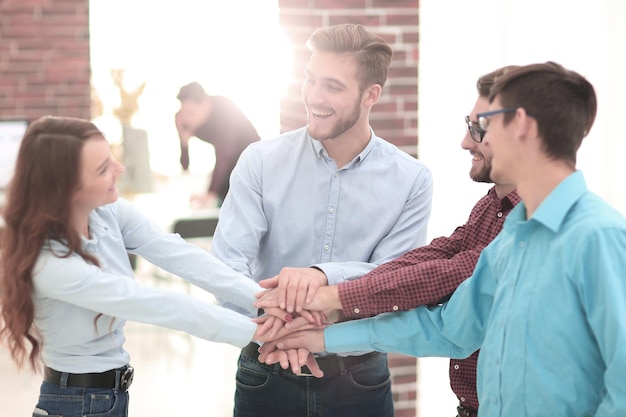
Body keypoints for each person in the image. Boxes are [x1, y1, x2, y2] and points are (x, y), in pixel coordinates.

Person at [260, 62, 626, 416]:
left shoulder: (599, 238)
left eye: (485, 124)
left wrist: (331, 300)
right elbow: (449, 329)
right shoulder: (512, 241)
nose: (472, 140)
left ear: (522, 126)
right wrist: (318, 338)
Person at [255, 65, 521, 417]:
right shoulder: (492, 206)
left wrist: (331, 302)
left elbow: (451, 296)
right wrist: (326, 300)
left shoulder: (532, 225)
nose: (465, 142)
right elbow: (436, 256)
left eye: (478, 128)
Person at [210, 24, 433, 417]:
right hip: (265, 371)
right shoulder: (260, 162)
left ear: (371, 95)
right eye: (310, 80)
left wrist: (322, 275)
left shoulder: (411, 180)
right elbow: (226, 267)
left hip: (358, 381)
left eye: (332, 85)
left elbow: (394, 282)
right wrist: (282, 329)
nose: (314, 96)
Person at [0, 116, 287, 417]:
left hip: (109, 397)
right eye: (102, 169)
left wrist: (264, 302)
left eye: (111, 157)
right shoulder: (48, 262)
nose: (119, 169)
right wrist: (264, 331)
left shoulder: (107, 213)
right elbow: (154, 303)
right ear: (66, 187)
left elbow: (180, 254)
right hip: (75, 404)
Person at [175, 81, 260, 207]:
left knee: (228, 201)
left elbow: (225, 154)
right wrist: (184, 142)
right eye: (184, 111)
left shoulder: (224, 109)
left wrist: (211, 193)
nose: (187, 117)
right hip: (227, 163)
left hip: (251, 160)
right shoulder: (183, 119)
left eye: (191, 112)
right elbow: (185, 166)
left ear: (206, 104)